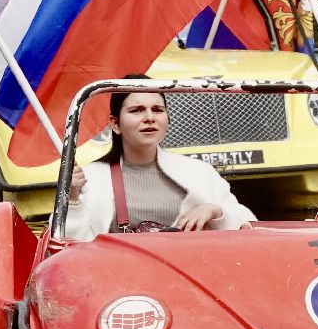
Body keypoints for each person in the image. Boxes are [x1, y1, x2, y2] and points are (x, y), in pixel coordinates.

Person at [62, 87, 255, 240]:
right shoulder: (89, 178)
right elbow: (68, 245)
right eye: (136, 110)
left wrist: (215, 211)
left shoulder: (199, 172)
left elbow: (249, 225)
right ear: (115, 124)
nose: (149, 118)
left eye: (157, 110)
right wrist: (72, 199)